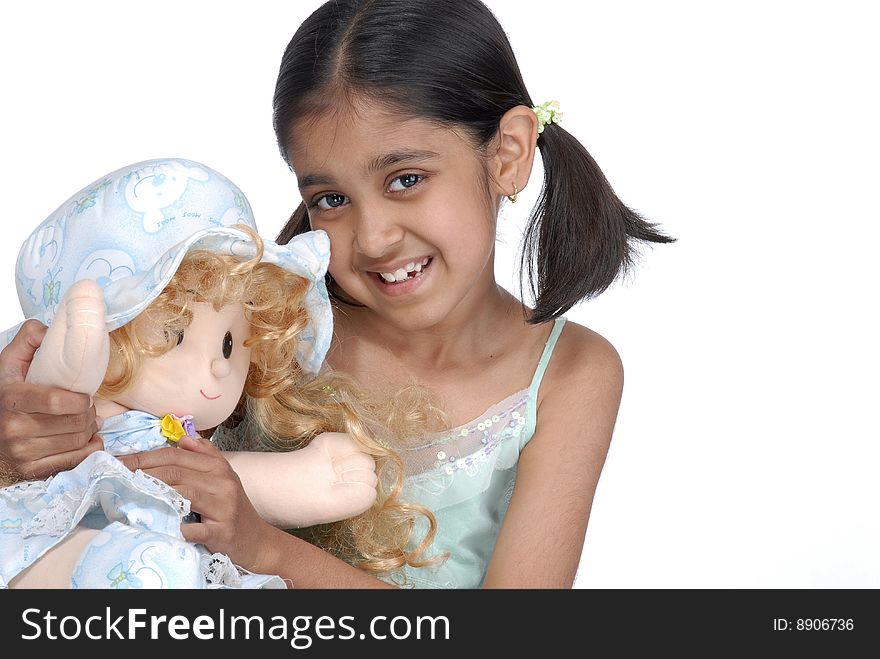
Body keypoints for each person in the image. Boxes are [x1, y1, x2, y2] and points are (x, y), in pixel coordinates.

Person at [0, 0, 673, 588]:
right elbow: (122, 453)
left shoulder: (571, 373)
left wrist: (263, 547)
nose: (374, 237)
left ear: (508, 153)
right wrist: (23, 443)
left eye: (406, 178)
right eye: (330, 198)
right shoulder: (270, 329)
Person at [0, 157, 435, 588]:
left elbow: (230, 484)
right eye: (174, 333)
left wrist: (314, 478)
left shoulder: (189, 438)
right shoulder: (53, 427)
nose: (217, 364)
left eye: (230, 343)